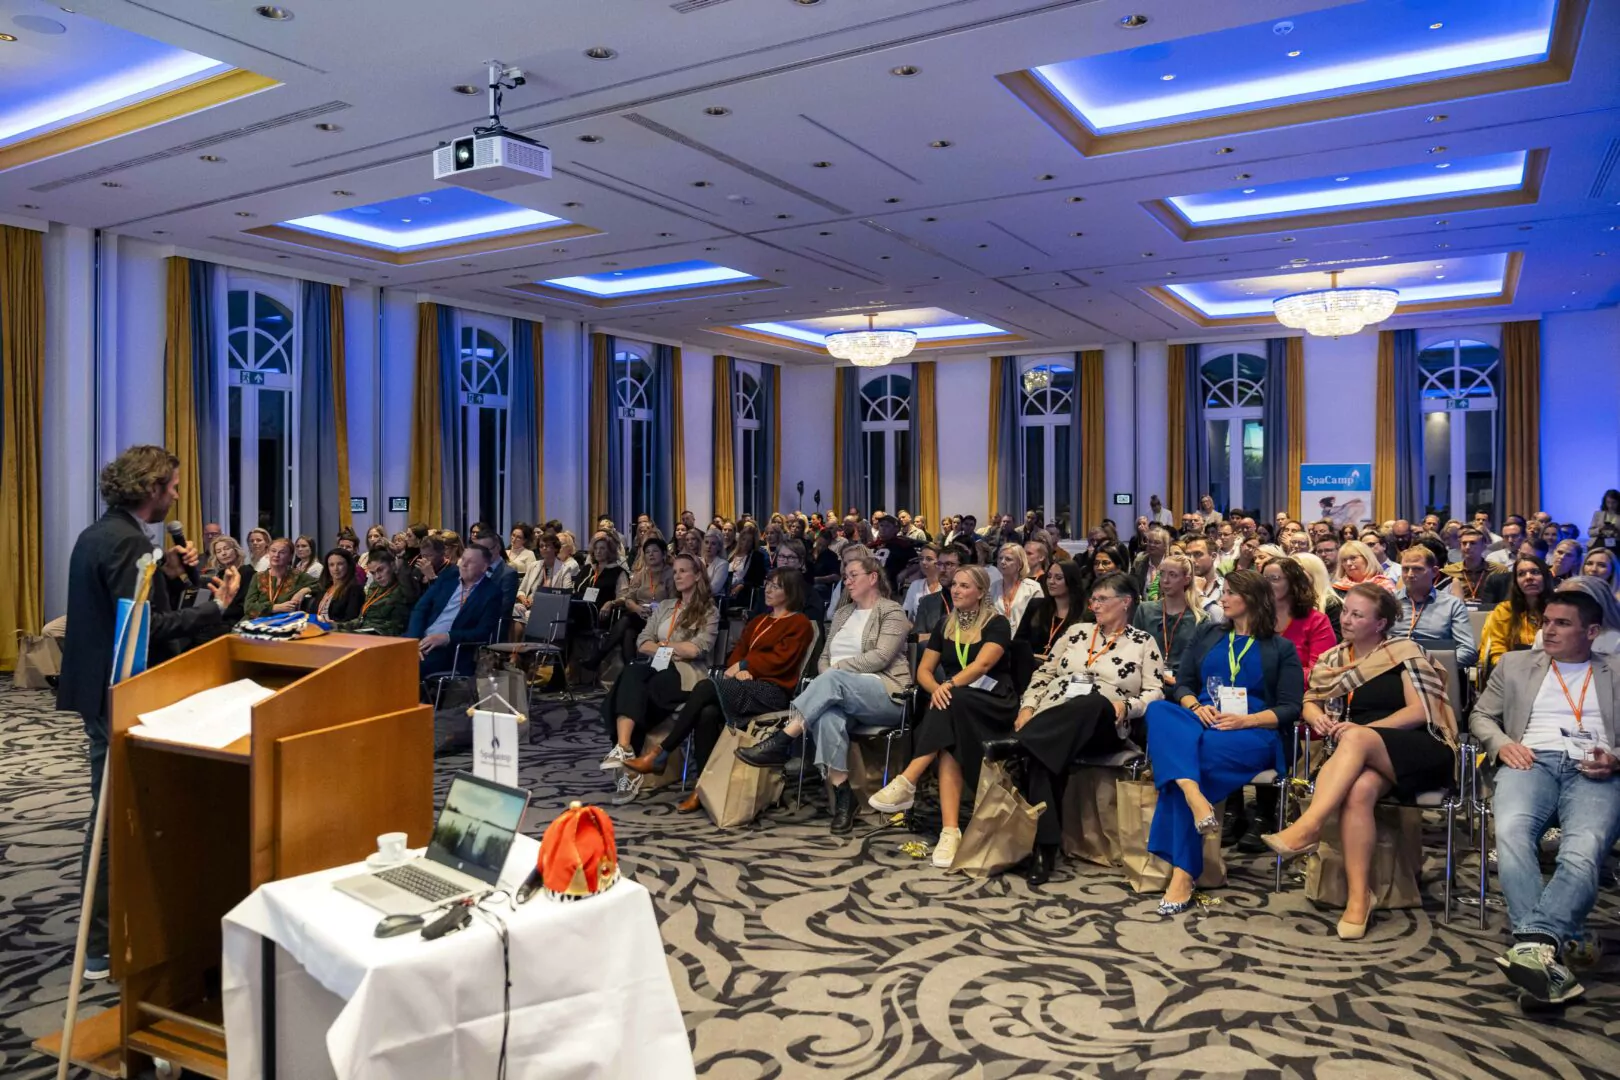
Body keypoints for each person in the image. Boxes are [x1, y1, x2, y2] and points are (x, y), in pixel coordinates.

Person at [60, 446, 241, 980]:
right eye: (174, 486)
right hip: (119, 693)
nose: (178, 495)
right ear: (152, 487)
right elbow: (142, 630)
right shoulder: (127, 544)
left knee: (116, 810)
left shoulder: (105, 533)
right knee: (118, 816)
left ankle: (113, 932)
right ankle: (100, 944)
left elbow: (142, 611)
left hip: (102, 689)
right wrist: (217, 609)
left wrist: (175, 577)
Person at [1263, 583, 1460, 938]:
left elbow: (1420, 712)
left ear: (1381, 623)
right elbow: (1311, 700)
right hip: (1357, 755)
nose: (1347, 619)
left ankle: (1309, 825)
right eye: (1346, 611)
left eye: (1358, 614)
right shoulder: (1333, 659)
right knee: (1359, 792)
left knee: (1355, 738)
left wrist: (1363, 732)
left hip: (1417, 746)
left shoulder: (1404, 652)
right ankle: (1359, 898)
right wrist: (1315, 718)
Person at [1468, 590, 1620, 1006]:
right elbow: (1481, 715)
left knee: (1584, 848)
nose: (1547, 630)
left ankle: (1534, 947)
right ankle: (1548, 944)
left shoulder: (1617, 670)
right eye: (1546, 621)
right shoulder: (1515, 664)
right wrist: (1500, 744)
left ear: (1592, 632)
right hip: (1529, 760)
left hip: (1595, 767)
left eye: (1562, 623)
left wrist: (1616, 758)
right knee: (1512, 834)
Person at [1142, 569, 1304, 915]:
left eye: (1230, 593)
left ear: (1252, 599)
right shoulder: (1211, 633)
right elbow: (1181, 684)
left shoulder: (1280, 648)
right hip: (1200, 720)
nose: (1223, 599)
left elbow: (1291, 707)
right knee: (1158, 710)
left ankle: (1182, 875)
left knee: (1186, 765)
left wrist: (1245, 720)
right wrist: (1196, 706)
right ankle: (1194, 796)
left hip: (1253, 730)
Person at [999, 573, 1166, 886]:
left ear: (1125, 602)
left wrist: (1128, 707)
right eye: (1093, 599)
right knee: (1042, 753)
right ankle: (1044, 849)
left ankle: (1018, 743)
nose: (1094, 605)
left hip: (1104, 725)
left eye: (1102, 599)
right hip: (1053, 720)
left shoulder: (1143, 643)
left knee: (1093, 701)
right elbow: (1044, 674)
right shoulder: (1077, 632)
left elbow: (1155, 691)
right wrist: (1028, 707)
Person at [736, 553, 910, 831]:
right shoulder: (842, 613)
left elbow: (881, 657)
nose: (848, 580)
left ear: (873, 578)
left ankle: (783, 740)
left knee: (832, 681)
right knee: (828, 716)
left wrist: (837, 670)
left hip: (886, 692)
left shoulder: (891, 611)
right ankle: (844, 797)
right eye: (845, 576)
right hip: (840, 693)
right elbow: (824, 657)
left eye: (854, 575)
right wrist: (832, 671)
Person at [869, 566, 1018, 868]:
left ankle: (909, 779)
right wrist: (938, 689)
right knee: (949, 732)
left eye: (965, 586)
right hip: (955, 702)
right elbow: (923, 671)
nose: (957, 590)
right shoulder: (944, 624)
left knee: (952, 703)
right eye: (955, 585)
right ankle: (950, 831)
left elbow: (982, 666)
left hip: (993, 701)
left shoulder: (997, 622)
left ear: (980, 592)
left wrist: (946, 687)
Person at [631, 569, 814, 809]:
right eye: (768, 584)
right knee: (707, 713)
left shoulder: (799, 623)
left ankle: (662, 752)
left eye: (776, 586)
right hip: (744, 686)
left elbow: (783, 660)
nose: (768, 589)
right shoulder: (759, 621)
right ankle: (701, 787)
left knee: (706, 686)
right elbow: (736, 654)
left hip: (773, 691)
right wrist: (739, 668)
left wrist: (747, 666)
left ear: (790, 592)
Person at [599, 553, 720, 804]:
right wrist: (672, 647)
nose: (677, 576)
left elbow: (698, 649)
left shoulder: (708, 610)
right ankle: (624, 748)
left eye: (683, 571)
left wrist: (663, 645)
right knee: (632, 672)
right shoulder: (665, 606)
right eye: (674, 571)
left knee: (628, 690)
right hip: (657, 668)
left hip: (687, 676)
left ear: (698, 575)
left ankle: (628, 770)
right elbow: (642, 642)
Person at [408, 543, 505, 680]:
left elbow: (482, 633)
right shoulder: (448, 578)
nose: (463, 565)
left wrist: (447, 637)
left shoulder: (491, 593)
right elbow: (420, 609)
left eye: (470, 562)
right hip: (419, 639)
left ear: (483, 567)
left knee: (407, 666)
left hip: (450, 650)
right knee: (381, 656)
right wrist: (414, 640)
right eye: (463, 559)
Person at [583, 537, 675, 670]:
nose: (650, 554)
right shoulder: (640, 575)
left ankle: (599, 658)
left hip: (662, 617)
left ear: (664, 554)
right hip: (641, 615)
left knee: (626, 621)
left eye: (655, 551)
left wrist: (657, 609)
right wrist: (638, 609)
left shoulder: (670, 574)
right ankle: (631, 670)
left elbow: (673, 600)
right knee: (628, 632)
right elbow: (629, 599)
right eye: (647, 552)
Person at [1392, 546, 1478, 668]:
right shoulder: (1388, 602)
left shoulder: (1452, 604)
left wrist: (1433, 666)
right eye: (1405, 569)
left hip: (1437, 672)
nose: (1410, 574)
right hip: (1393, 668)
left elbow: (1468, 650)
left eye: (1417, 569)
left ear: (1435, 572)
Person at [1481, 556, 1553, 671]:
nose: (1528, 577)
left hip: (1550, 671)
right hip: (1512, 671)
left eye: (1535, 572)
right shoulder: (1504, 610)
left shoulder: (1558, 611)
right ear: (1516, 582)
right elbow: (1498, 652)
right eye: (1521, 574)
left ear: (1545, 577)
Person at [1266, 556, 1337, 673]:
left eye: (1274, 578)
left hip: (1299, 689)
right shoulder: (1256, 617)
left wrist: (1275, 677)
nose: (1267, 584)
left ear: (1293, 581)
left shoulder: (1317, 621)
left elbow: (1319, 671)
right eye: (1264, 579)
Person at [1016, 559, 1087, 667]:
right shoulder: (1036, 605)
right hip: (1028, 665)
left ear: (1071, 581)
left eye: (1058, 578)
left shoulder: (1083, 614)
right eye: (1049, 576)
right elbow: (1019, 641)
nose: (1051, 581)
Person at [337, 550, 412, 636]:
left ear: (392, 565)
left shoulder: (402, 589)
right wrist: (336, 626)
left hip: (384, 638)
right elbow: (362, 620)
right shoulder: (374, 587)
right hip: (364, 632)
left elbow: (396, 628)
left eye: (380, 570)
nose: (377, 576)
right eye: (373, 573)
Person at [194, 536, 255, 641]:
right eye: (219, 551)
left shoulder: (247, 572)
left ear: (236, 551)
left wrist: (216, 611)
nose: (223, 553)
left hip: (237, 620)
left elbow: (244, 606)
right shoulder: (220, 575)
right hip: (218, 618)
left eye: (227, 549)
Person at [514, 533, 578, 629]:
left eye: (547, 546)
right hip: (528, 606)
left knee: (526, 616)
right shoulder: (533, 566)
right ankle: (518, 643)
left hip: (550, 606)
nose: (543, 548)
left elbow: (566, 594)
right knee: (515, 609)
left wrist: (540, 600)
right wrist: (523, 598)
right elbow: (521, 590)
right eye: (541, 546)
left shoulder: (564, 569)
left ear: (556, 548)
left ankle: (523, 642)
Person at [242, 538, 317, 618]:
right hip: (255, 622)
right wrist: (275, 608)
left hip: (283, 623)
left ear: (290, 557)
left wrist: (303, 591)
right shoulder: (258, 577)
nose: (276, 555)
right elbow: (248, 608)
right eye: (273, 551)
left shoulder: (298, 576)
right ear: (268, 554)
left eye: (282, 552)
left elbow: (322, 584)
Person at [1442, 526, 1511, 609]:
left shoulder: (1499, 570)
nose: (1467, 547)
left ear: (1483, 547)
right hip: (1459, 613)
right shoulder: (1447, 572)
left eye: (1472, 543)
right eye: (1464, 543)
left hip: (1489, 612)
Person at [989, 542, 1042, 635]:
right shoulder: (993, 588)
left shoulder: (1033, 588)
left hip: (1024, 641)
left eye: (1008, 559)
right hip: (997, 641)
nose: (1002, 562)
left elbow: (1039, 621)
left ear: (1020, 564)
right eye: (1000, 558)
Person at [309, 547, 364, 623]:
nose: (336, 568)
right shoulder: (325, 588)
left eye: (340, 564)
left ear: (348, 565)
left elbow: (350, 619)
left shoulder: (355, 589)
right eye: (331, 565)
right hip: (316, 628)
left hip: (337, 631)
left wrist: (334, 624)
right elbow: (312, 613)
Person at [902, 543, 945, 622]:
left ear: (939, 562)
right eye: (921, 559)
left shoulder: (946, 587)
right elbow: (905, 614)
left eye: (929, 559)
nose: (923, 562)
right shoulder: (915, 585)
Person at [1130, 526, 1172, 601]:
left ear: (1165, 546)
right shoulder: (1138, 562)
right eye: (1150, 541)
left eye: (1157, 542)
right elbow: (1131, 585)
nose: (1152, 545)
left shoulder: (1172, 564)